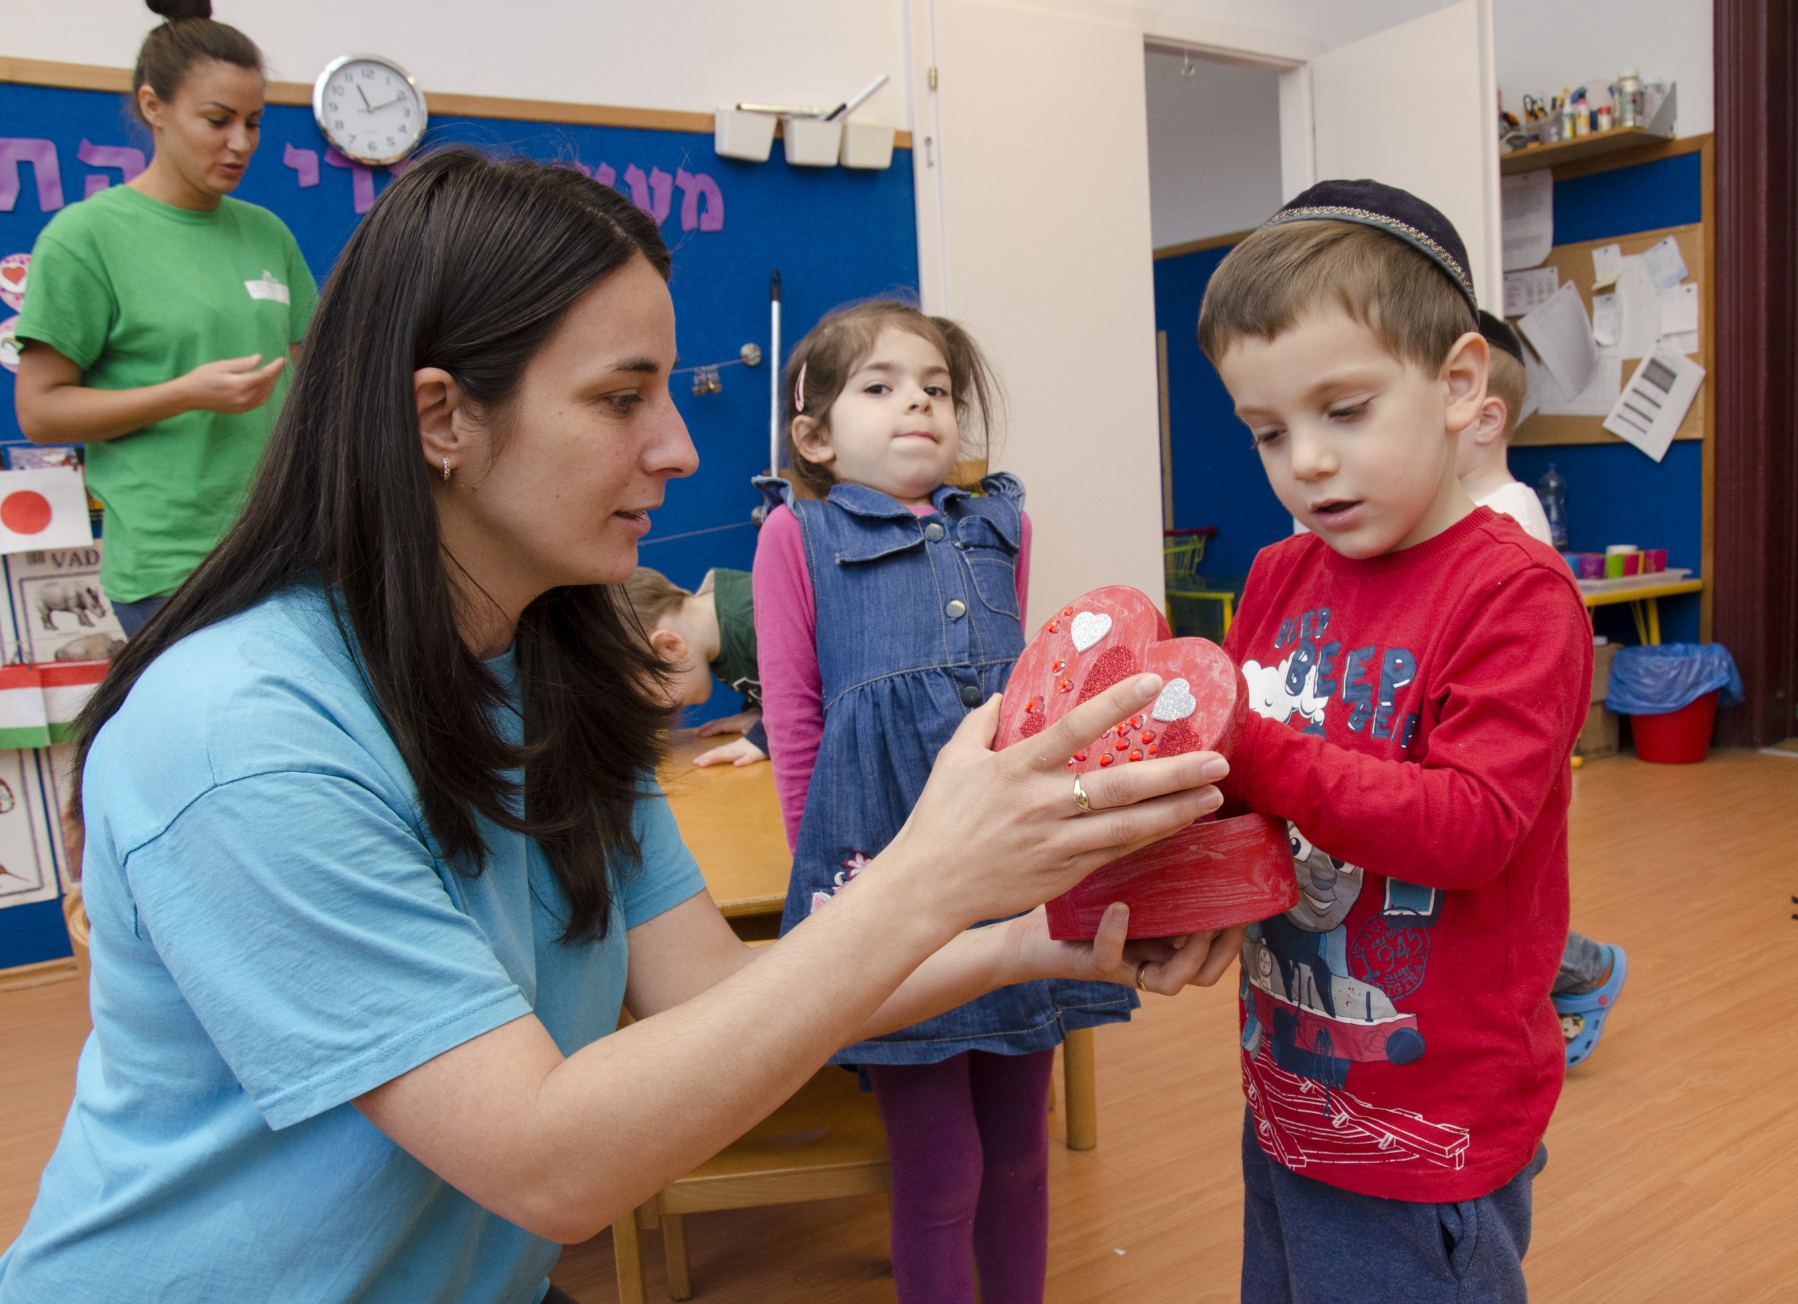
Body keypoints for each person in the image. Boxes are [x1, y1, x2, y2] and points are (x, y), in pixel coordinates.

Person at [0, 151, 1245, 1304]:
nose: (678, 445)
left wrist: (1029, 937)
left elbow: (723, 994)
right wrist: (926, 875)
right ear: (443, 417)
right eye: (620, 397)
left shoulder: (545, 678)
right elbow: (551, 1162)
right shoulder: (238, 734)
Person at [1196, 180, 1594, 1304]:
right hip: (1287, 1081)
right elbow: (1252, 801)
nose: (1305, 462)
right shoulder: (1276, 576)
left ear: (1461, 385)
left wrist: (1253, 747)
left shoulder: (1514, 596)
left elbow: (1468, 827)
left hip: (1435, 1120)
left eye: (1345, 410)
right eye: (1268, 432)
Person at [754, 299, 1132, 1304]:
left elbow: (1029, 698)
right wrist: (828, 889)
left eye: (935, 388)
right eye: (878, 386)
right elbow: (797, 724)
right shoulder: (797, 534)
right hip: (880, 878)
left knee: (1017, 1154)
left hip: (1016, 871)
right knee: (938, 1171)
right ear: (815, 435)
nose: (915, 402)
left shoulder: (1006, 520)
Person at [12, 0, 315, 637]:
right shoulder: (86, 237)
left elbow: (316, 367)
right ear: (154, 107)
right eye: (218, 119)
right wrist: (184, 394)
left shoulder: (267, 233)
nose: (242, 143)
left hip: (288, 551)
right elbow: (40, 411)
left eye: (255, 122)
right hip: (175, 569)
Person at [1461, 310, 1630, 1067]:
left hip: (1513, 766)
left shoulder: (1508, 519)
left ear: (1483, 416)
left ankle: (1584, 971)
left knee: (1501, 912)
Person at [624, 566, 771, 768]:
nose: (660, 709)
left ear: (670, 645)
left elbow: (821, 691)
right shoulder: (710, 638)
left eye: (650, 695)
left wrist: (766, 737)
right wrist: (760, 713)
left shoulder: (753, 617)